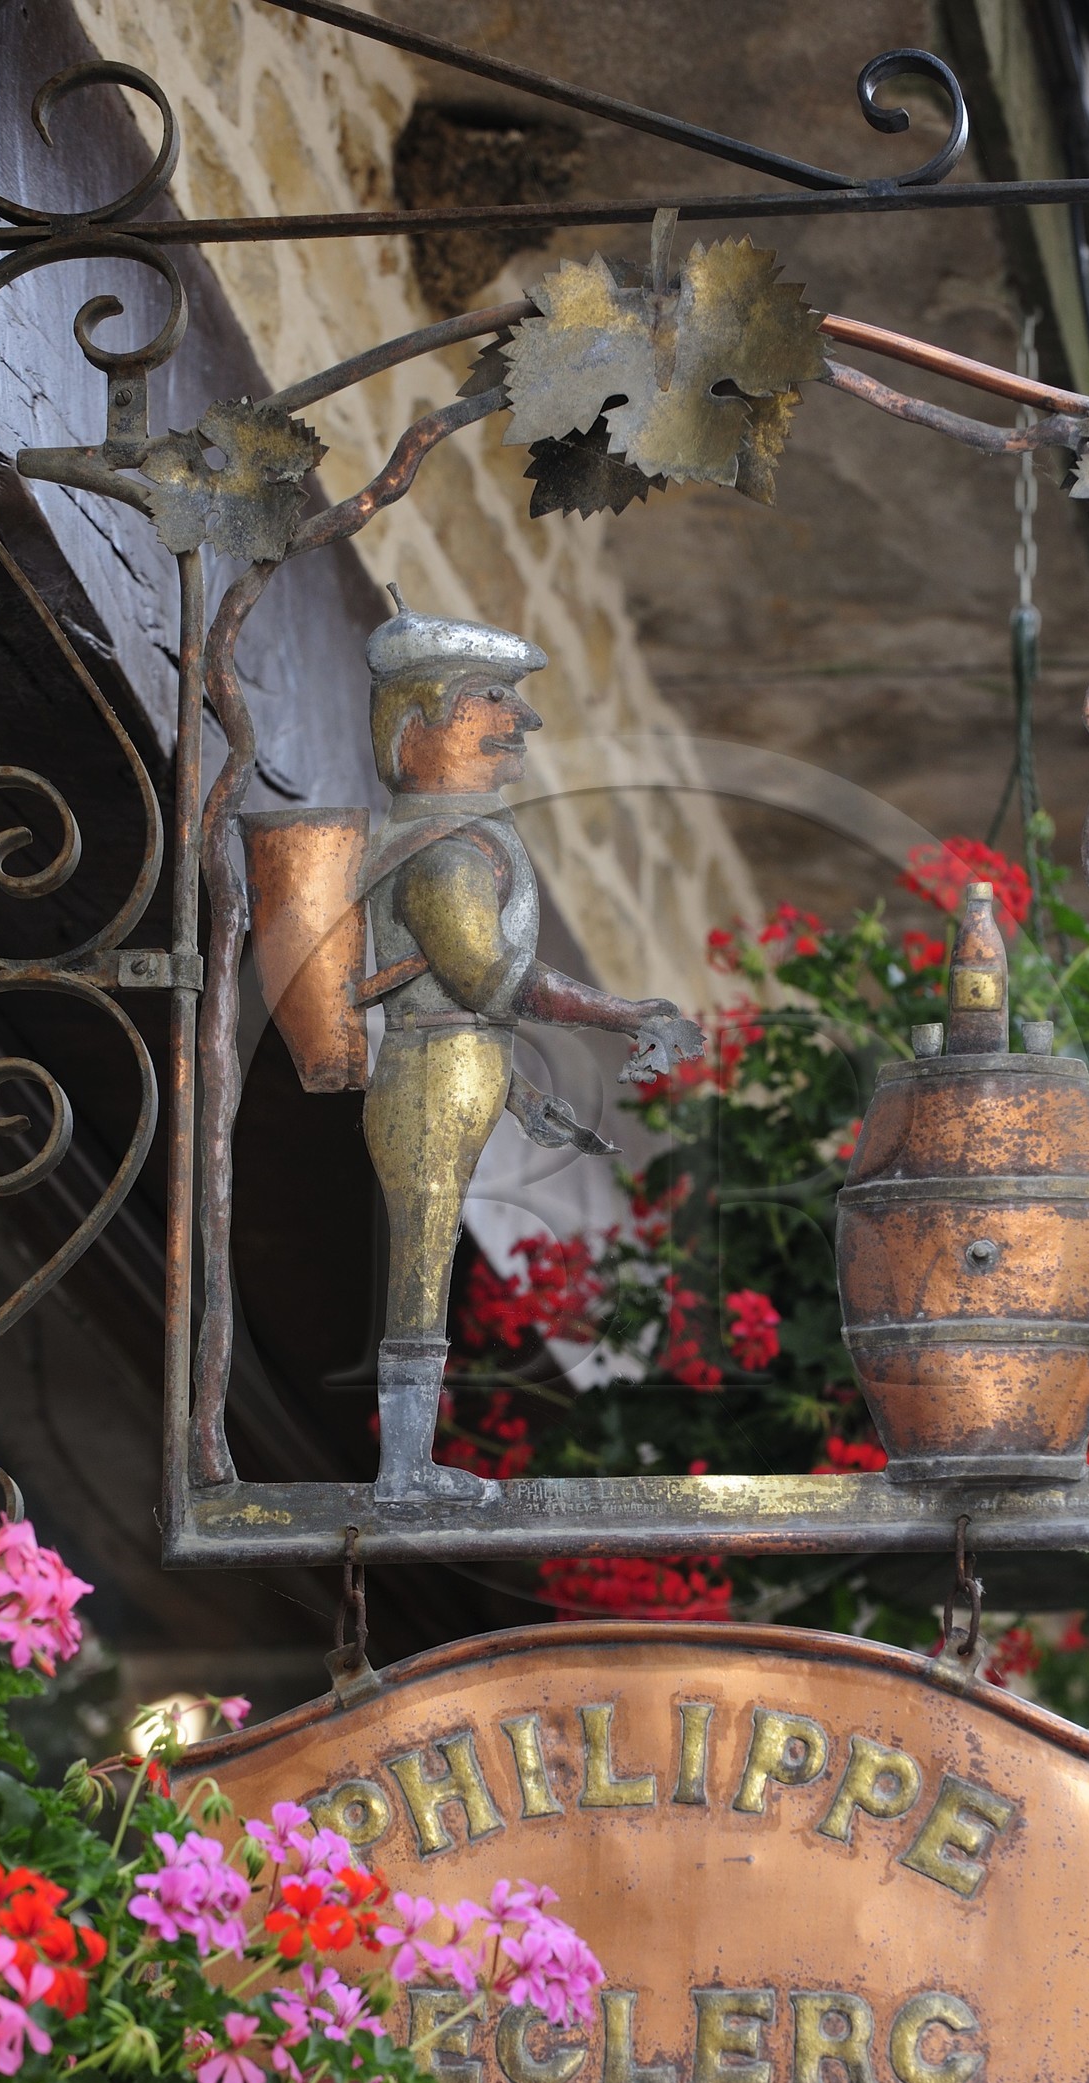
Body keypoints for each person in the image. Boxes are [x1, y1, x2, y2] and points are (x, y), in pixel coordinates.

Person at [360, 586, 705, 1504]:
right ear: (427, 717)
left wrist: (514, 1089)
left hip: (454, 1064)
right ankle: (402, 1468)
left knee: (426, 1254)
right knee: (423, 1257)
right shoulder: (445, 851)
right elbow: (493, 981)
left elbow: (467, 1001)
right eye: (496, 699)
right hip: (431, 1069)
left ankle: (407, 1462)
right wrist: (624, 1012)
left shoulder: (457, 837)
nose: (525, 718)